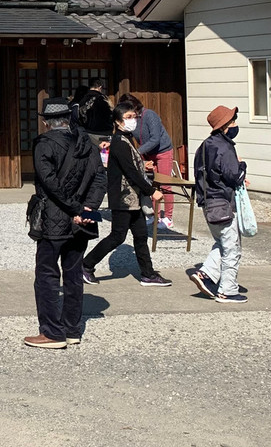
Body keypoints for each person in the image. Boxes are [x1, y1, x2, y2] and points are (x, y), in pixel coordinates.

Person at [24, 96, 106, 348]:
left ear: (46, 122)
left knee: (47, 274)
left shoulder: (44, 144)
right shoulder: (88, 143)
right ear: (68, 118)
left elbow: (50, 184)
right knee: (73, 273)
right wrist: (88, 208)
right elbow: (100, 178)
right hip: (82, 220)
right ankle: (72, 329)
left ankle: (52, 332)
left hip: (54, 217)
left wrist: (76, 208)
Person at [81, 102, 172, 287]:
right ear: (118, 121)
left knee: (140, 235)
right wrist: (151, 191)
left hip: (133, 198)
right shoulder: (119, 142)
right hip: (123, 198)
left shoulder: (127, 139)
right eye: (128, 117)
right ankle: (86, 265)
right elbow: (130, 171)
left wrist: (143, 165)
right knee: (117, 236)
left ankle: (148, 273)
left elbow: (132, 165)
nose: (133, 120)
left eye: (134, 117)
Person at [188, 105, 249, 304]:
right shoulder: (225, 147)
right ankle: (227, 290)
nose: (235, 125)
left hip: (208, 202)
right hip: (223, 203)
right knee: (232, 248)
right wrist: (242, 165)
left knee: (222, 242)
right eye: (232, 121)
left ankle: (205, 274)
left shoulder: (204, 146)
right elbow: (234, 176)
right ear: (224, 126)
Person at [121, 93, 176, 231]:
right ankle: (154, 215)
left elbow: (155, 138)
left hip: (162, 151)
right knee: (151, 184)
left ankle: (168, 217)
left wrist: (138, 152)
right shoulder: (131, 119)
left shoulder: (149, 115)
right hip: (147, 153)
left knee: (165, 185)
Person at [75, 78, 114, 143]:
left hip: (86, 133)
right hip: (102, 133)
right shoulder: (103, 99)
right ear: (100, 87)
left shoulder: (82, 99)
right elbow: (110, 115)